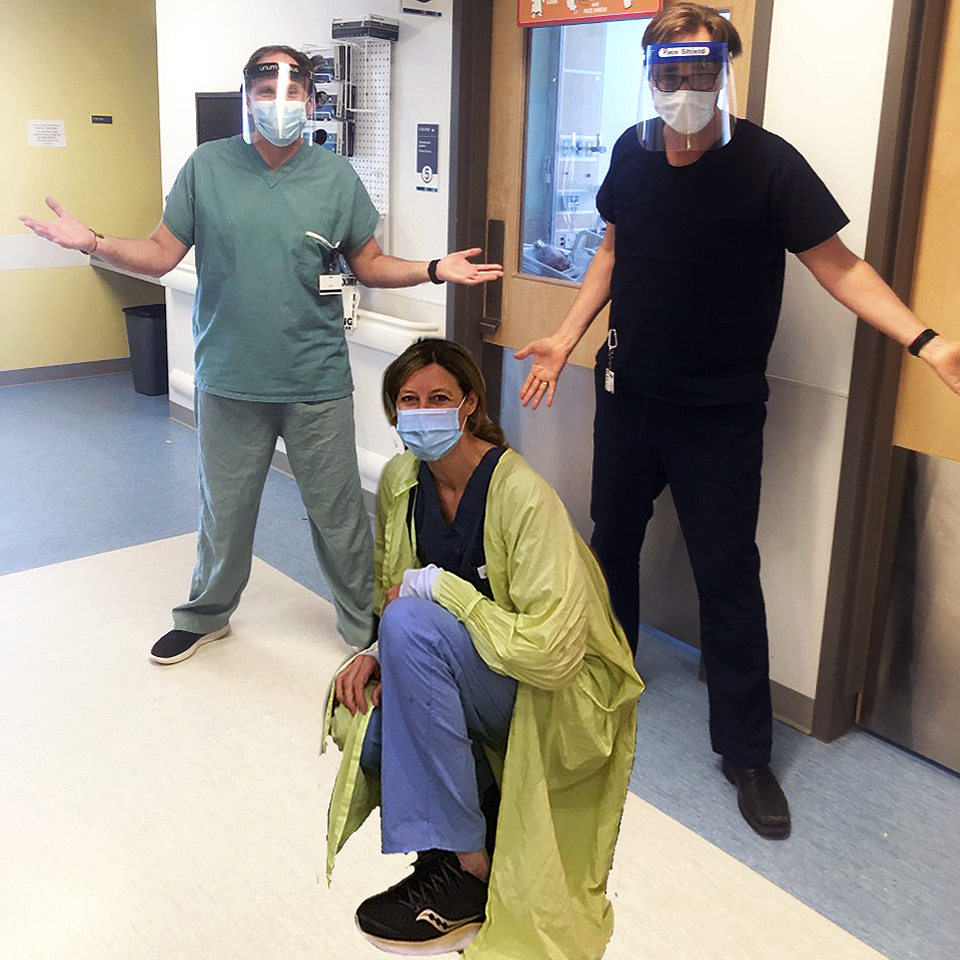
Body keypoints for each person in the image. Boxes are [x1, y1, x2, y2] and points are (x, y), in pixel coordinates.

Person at [515, 3, 960, 840]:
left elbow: (842, 267)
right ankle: (606, 690)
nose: (684, 89)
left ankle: (746, 753)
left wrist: (925, 340)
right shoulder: (628, 152)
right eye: (669, 73)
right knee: (610, 544)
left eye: (700, 72)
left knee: (727, 574)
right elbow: (612, 249)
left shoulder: (768, 166)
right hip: (629, 395)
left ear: (725, 72)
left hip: (718, 412)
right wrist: (566, 338)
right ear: (651, 74)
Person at [20, 45, 501, 666]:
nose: (280, 103)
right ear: (247, 95)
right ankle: (205, 615)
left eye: (294, 90)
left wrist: (435, 268)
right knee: (225, 511)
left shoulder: (335, 178)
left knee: (337, 516)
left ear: (311, 98)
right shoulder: (208, 167)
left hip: (315, 379)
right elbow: (163, 253)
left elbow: (371, 264)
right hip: (230, 378)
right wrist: (96, 243)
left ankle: (366, 625)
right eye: (266, 89)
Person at [323, 338, 642, 959]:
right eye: (407, 401)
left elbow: (554, 653)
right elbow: (394, 583)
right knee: (375, 718)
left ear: (468, 403)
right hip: (482, 668)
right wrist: (375, 651)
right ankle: (452, 845)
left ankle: (468, 873)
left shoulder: (522, 495)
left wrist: (448, 593)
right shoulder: (401, 482)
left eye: (438, 398)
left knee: (414, 627)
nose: (422, 412)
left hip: (557, 689)